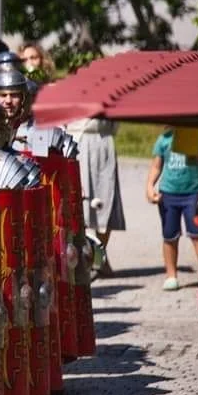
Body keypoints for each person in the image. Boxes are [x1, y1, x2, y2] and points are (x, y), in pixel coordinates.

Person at [146, 128, 198, 292]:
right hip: (168, 195)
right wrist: (149, 186)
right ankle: (171, 275)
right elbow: (156, 166)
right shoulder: (163, 139)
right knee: (169, 235)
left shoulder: (195, 137)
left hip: (192, 195)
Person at [65, 116, 125, 276]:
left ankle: (100, 256)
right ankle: (80, 255)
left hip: (104, 142)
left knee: (107, 199)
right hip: (77, 140)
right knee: (79, 203)